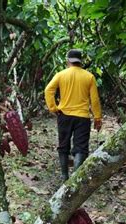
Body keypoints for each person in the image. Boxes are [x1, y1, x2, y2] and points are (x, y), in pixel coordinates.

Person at [44, 49, 102, 181]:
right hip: (83, 117)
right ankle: (75, 178)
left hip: (64, 115)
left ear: (68, 61)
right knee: (81, 147)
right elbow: (95, 100)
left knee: (63, 145)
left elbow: (48, 90)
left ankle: (65, 176)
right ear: (80, 62)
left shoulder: (61, 74)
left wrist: (53, 108)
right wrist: (97, 117)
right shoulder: (89, 77)